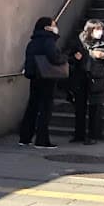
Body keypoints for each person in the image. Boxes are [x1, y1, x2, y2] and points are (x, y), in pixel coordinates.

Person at [19, 16, 67, 148]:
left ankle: (25, 137)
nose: (56, 27)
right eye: (53, 25)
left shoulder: (33, 42)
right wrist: (64, 58)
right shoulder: (48, 41)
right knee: (45, 109)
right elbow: (54, 57)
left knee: (32, 106)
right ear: (47, 27)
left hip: (35, 76)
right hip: (47, 78)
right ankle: (42, 140)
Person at [68, 18, 104, 145]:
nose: (100, 31)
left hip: (97, 78)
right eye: (97, 29)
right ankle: (79, 135)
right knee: (79, 107)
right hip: (80, 77)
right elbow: (69, 57)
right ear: (89, 30)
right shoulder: (79, 41)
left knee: (95, 108)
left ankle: (93, 136)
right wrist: (75, 58)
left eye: (101, 29)